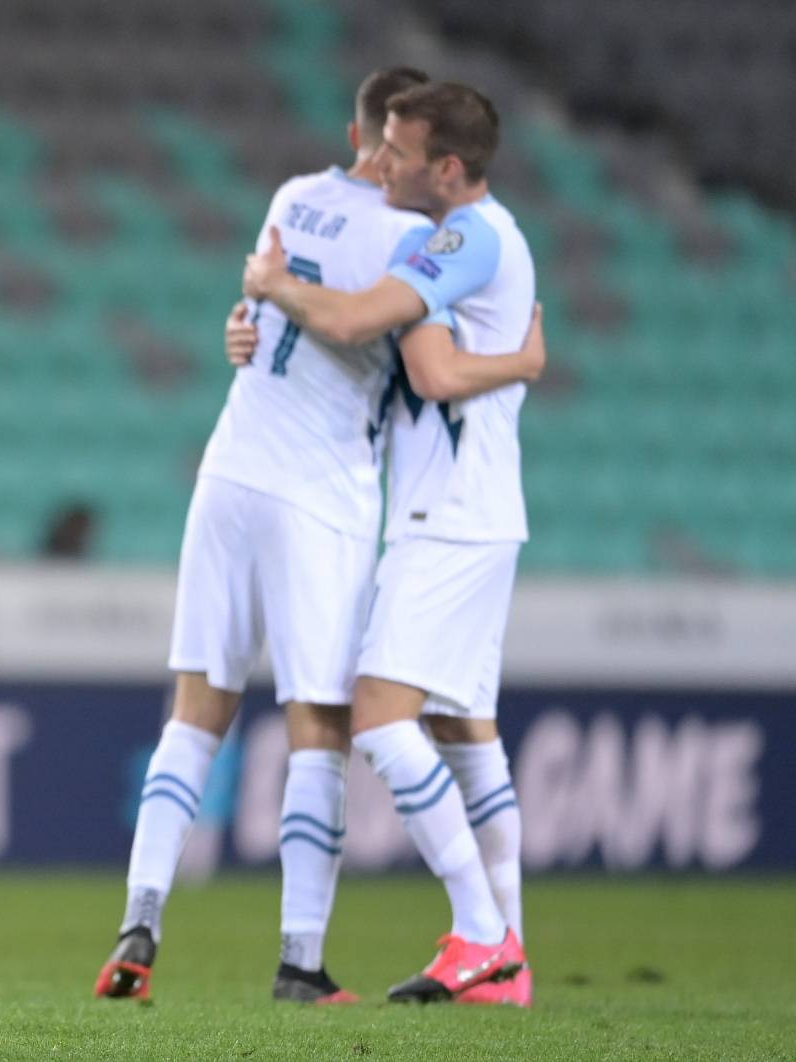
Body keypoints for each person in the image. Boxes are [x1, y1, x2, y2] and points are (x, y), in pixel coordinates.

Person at [94, 69, 545, 1005]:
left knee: (194, 712)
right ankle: (306, 962)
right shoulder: (417, 235)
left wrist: (257, 301)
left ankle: (142, 917)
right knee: (325, 726)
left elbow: (262, 303)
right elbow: (412, 360)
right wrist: (527, 358)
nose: (386, 157)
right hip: (322, 492)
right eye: (386, 140)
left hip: (227, 467)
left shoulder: (295, 197)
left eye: (399, 145)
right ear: (371, 133)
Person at [243, 80, 539, 1005]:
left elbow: (410, 355)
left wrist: (272, 286)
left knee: (378, 715)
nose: (384, 164)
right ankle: (508, 962)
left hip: (445, 515)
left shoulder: (461, 238)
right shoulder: (490, 234)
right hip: (476, 506)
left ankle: (483, 936)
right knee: (464, 728)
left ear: (446, 169)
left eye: (401, 154)